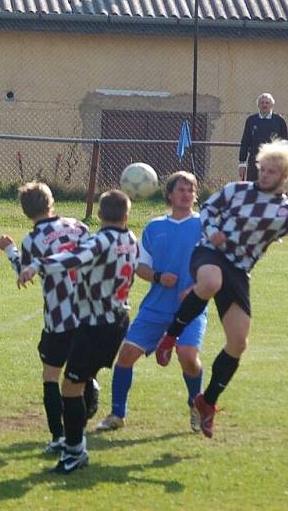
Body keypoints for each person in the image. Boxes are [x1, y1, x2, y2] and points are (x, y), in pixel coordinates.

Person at [155, 141, 288, 438]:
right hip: (210, 253)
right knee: (209, 282)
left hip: (238, 272)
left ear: (284, 175)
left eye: (271, 171)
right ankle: (170, 337)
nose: (264, 175)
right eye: (262, 169)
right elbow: (208, 207)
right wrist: (211, 232)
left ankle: (206, 402)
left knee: (238, 343)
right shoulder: (237, 191)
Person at [19, 190, 138, 474]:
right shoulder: (131, 239)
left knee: (70, 387)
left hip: (96, 324)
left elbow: (73, 257)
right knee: (77, 381)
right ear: (127, 215)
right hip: (119, 318)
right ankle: (75, 436)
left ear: (99, 214)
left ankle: (74, 451)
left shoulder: (100, 240)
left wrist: (37, 264)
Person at [95, 171, 207, 434]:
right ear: (169, 194)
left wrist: (196, 286)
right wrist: (158, 277)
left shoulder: (203, 226)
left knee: (188, 356)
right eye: (181, 189)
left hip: (191, 308)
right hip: (156, 306)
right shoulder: (154, 227)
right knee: (126, 356)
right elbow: (140, 267)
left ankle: (196, 404)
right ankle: (117, 414)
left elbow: (214, 264)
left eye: (191, 190)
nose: (186, 194)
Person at [0, 182, 96, 455]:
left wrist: (10, 250)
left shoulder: (32, 241)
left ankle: (58, 437)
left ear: (25, 211)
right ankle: (83, 419)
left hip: (58, 315)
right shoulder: (79, 226)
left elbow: (24, 272)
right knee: (79, 372)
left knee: (51, 376)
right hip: (88, 311)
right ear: (51, 201)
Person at [238, 93, 288, 182]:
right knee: (253, 191)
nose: (264, 105)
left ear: (272, 105)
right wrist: (242, 163)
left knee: (270, 192)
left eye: (267, 103)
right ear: (258, 105)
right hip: (254, 162)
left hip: (273, 163)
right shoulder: (251, 120)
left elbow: (285, 144)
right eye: (262, 103)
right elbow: (245, 142)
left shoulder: (279, 121)